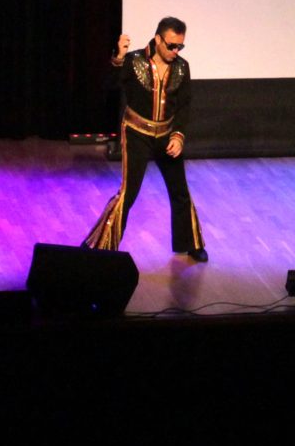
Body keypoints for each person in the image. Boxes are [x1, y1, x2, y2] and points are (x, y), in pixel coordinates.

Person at [82, 17, 208, 262]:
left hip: (166, 135)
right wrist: (118, 58)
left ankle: (191, 243)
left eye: (180, 46)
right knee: (128, 192)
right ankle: (100, 245)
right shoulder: (134, 61)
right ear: (158, 39)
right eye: (171, 45)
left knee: (180, 190)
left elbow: (184, 106)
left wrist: (178, 136)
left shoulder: (182, 67)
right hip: (137, 133)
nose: (176, 51)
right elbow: (108, 85)